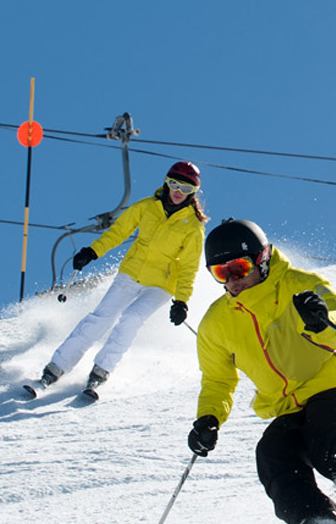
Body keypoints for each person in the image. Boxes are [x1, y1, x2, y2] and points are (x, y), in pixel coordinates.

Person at [185, 217, 336, 524]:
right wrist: (209, 418)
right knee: (273, 454)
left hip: (335, 387)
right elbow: (218, 379)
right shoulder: (216, 322)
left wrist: (323, 321)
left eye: (238, 267)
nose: (233, 281)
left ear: (261, 259)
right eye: (221, 273)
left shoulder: (299, 285)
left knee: (330, 447)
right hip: (288, 406)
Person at [25, 161, 206, 402]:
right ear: (166, 181)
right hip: (131, 273)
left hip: (161, 285)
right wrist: (92, 252)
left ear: (193, 194)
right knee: (101, 318)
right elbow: (118, 232)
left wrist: (181, 301)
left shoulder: (193, 227)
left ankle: (101, 371)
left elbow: (189, 267)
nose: (178, 192)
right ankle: (54, 369)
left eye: (186, 189)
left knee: (131, 319)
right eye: (175, 184)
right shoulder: (145, 207)